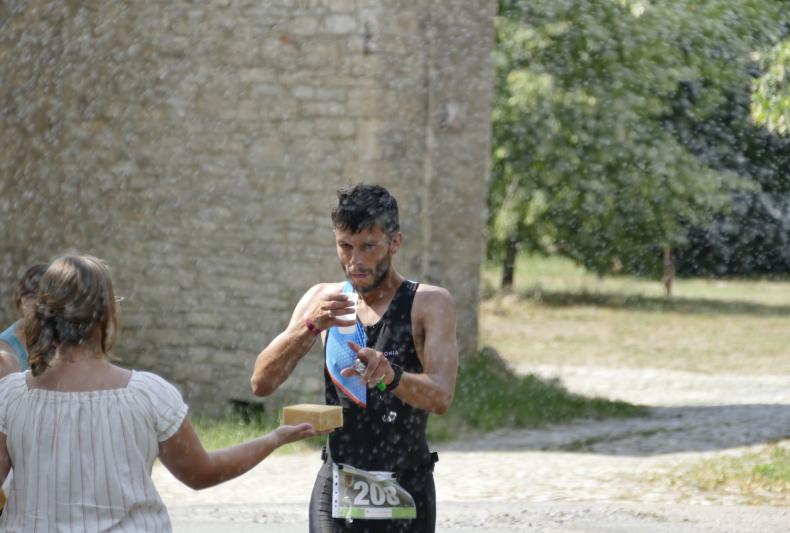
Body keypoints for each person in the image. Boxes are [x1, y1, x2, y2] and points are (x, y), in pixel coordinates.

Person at [0, 254, 322, 531]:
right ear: (107, 316)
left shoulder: (11, 397)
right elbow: (201, 473)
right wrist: (273, 438)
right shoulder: (148, 395)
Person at [250, 184, 459, 532]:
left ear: (395, 242)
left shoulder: (430, 303)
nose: (355, 261)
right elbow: (261, 382)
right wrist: (309, 327)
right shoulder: (322, 299)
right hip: (338, 481)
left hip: (407, 482)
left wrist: (392, 377)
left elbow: (441, 396)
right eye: (345, 246)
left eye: (368, 246)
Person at [0, 264, 47, 379]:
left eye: (43, 298)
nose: (37, 304)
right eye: (30, 296)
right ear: (20, 300)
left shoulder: (62, 336)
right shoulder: (5, 348)